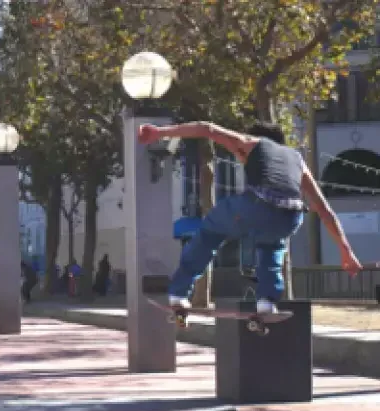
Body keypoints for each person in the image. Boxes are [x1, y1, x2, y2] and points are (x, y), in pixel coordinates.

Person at [137, 120, 362, 313]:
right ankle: (266, 301)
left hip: (256, 205)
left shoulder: (253, 143)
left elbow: (207, 129)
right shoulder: (297, 160)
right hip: (290, 216)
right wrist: (346, 251)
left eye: (240, 155)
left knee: (210, 232)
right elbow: (324, 210)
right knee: (272, 246)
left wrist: (160, 132)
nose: (239, 157)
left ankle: (178, 292)